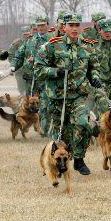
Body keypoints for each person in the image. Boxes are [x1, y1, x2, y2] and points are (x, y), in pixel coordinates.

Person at [35, 13, 103, 175]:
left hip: (79, 95)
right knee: (61, 133)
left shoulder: (87, 46)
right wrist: (55, 71)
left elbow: (94, 67)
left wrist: (94, 78)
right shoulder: (52, 46)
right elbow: (38, 68)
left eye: (76, 25)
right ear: (63, 27)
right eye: (70, 25)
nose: (74, 28)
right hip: (58, 96)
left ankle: (79, 159)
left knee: (82, 123)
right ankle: (57, 162)